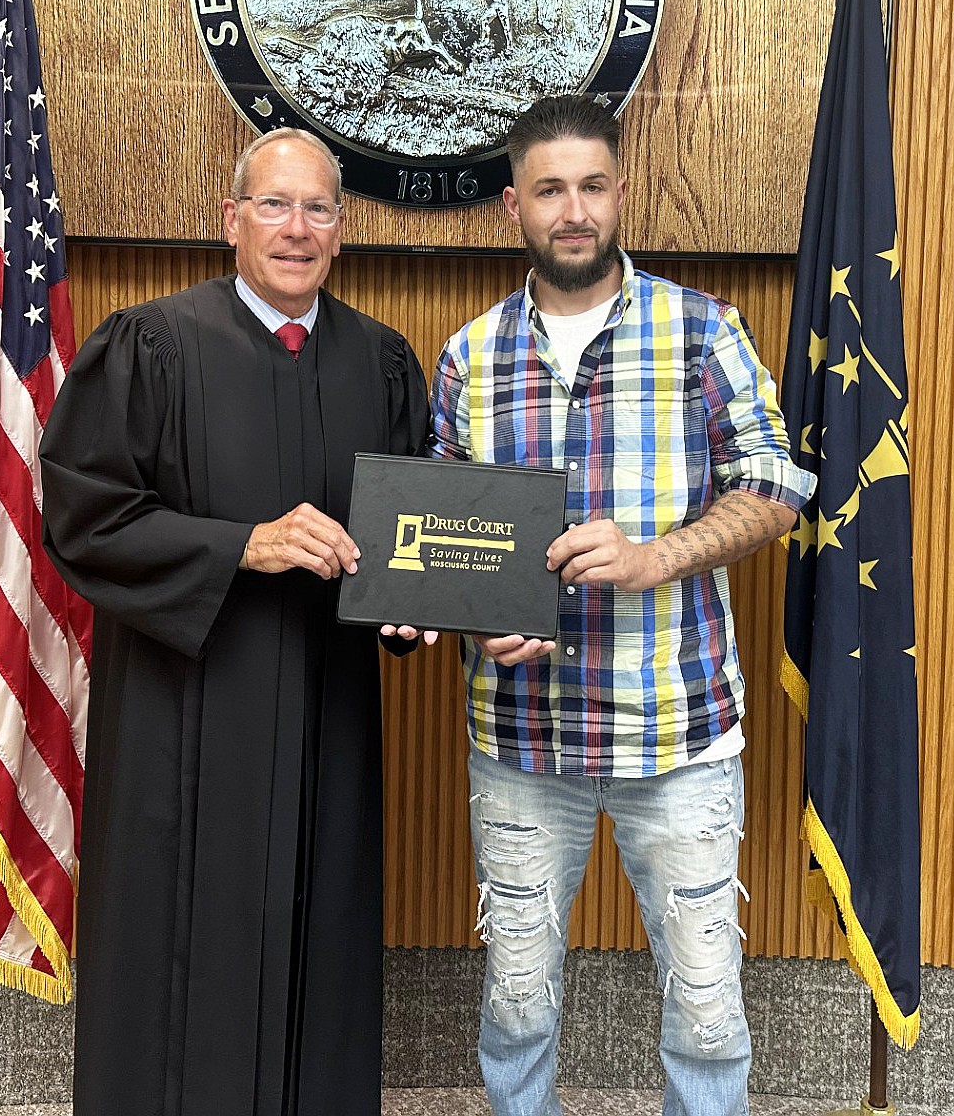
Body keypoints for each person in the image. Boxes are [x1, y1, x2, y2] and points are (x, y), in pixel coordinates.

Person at [428, 94, 816, 1116]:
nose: (574, 210)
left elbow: (778, 481)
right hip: (519, 740)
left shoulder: (702, 330)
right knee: (517, 998)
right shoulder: (469, 357)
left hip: (677, 735)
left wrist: (657, 557)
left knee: (707, 1005)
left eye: (592, 186)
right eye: (550, 189)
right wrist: (475, 614)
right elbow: (438, 539)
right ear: (513, 205)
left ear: (622, 194)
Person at [40, 129, 430, 1116]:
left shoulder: (380, 364)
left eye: (317, 210)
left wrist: (412, 617)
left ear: (341, 231)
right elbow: (85, 520)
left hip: (327, 729)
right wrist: (236, 547)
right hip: (185, 727)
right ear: (231, 221)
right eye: (274, 205)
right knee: (177, 959)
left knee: (320, 950)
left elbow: (406, 549)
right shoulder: (152, 347)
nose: (296, 229)